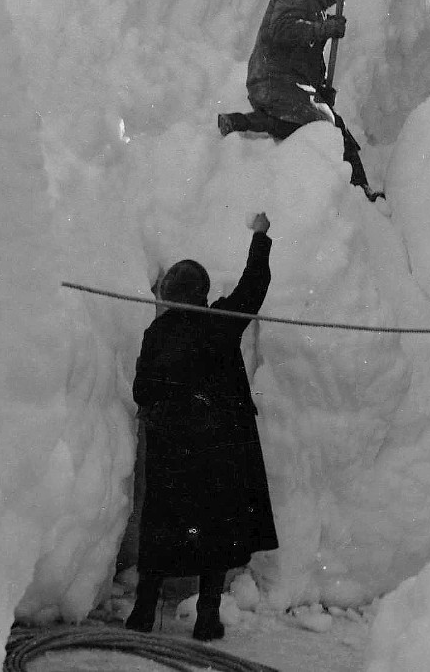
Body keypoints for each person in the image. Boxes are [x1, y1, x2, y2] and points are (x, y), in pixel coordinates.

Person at [126, 214, 278, 642]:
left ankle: (142, 611)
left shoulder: (156, 335)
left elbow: (142, 391)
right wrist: (260, 238)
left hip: (173, 455)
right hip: (217, 454)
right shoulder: (221, 323)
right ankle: (208, 617)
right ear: (203, 293)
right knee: (215, 531)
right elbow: (253, 288)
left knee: (161, 529)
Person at [217, 0, 382, 200]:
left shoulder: (314, 9)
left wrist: (321, 90)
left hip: (286, 84)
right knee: (324, 127)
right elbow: (283, 30)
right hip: (274, 81)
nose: (337, 1)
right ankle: (242, 123)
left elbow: (304, 60)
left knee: (335, 127)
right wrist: (323, 29)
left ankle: (360, 191)